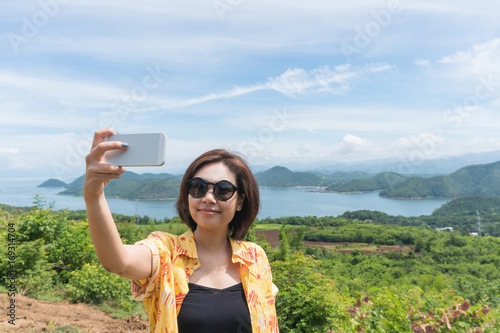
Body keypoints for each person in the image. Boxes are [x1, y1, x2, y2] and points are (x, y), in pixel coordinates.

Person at [84, 128, 279, 333]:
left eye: (223, 190)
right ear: (188, 194)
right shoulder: (166, 252)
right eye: (198, 187)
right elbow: (118, 261)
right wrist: (94, 194)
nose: (208, 198)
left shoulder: (254, 258)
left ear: (240, 201)